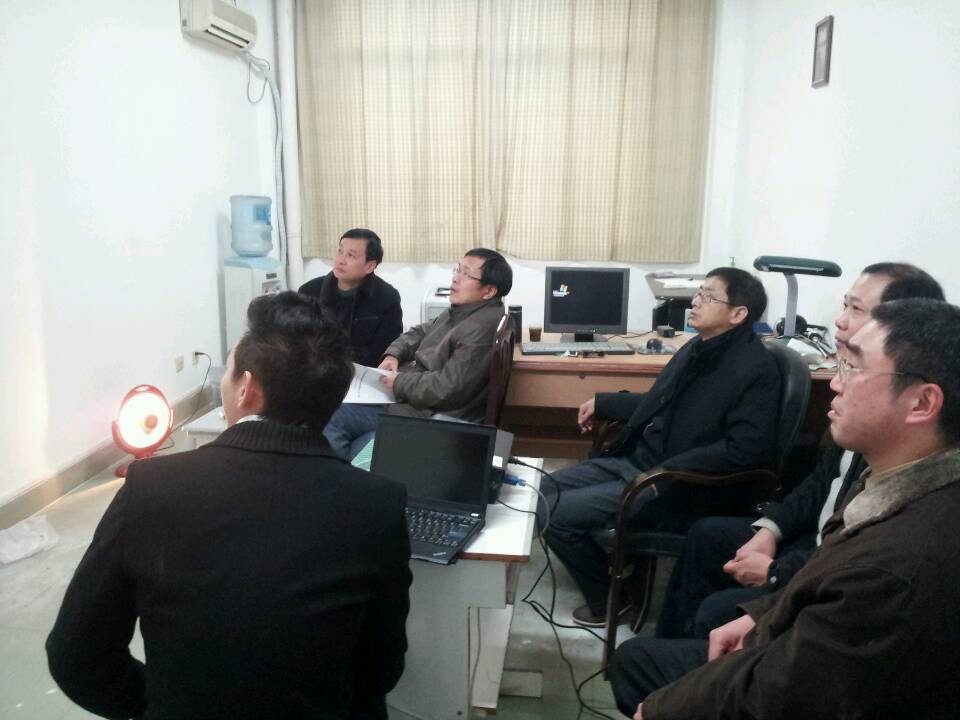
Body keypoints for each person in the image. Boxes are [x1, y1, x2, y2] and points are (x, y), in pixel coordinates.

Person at [46, 292, 412, 720]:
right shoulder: (376, 504)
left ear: (247, 388)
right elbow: (381, 667)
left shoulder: (152, 487)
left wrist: (163, 702)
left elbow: (77, 655)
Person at [610, 298, 960, 720]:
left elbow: (778, 695)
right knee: (641, 658)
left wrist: (660, 708)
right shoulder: (894, 480)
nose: (836, 383)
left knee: (645, 672)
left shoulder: (895, 566)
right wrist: (762, 615)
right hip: (792, 648)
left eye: (854, 368)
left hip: (798, 684)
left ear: (922, 403)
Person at [655, 262, 944, 639]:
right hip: (814, 539)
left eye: (856, 309)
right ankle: (673, 650)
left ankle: (688, 661)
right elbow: (823, 482)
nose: (840, 320)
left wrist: (777, 572)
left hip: (829, 562)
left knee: (713, 614)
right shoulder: (861, 402)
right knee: (707, 535)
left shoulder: (896, 426)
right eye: (845, 305)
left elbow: (857, 556)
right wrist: (770, 530)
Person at [543, 267, 782, 627]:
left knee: (554, 513)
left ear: (738, 314)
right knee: (540, 491)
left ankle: (611, 599)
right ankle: (622, 570)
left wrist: (667, 474)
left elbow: (746, 450)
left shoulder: (754, 369)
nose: (695, 302)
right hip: (640, 462)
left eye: (707, 296)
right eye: (698, 293)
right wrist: (605, 402)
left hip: (676, 483)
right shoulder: (698, 347)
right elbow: (660, 402)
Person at [323, 248, 512, 460]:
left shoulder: (479, 328)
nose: (456, 278)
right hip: (414, 400)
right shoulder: (465, 311)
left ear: (489, 291)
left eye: (466, 274)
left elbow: (448, 388)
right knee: (340, 411)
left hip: (429, 414)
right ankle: (348, 472)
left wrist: (399, 382)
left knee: (333, 416)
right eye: (457, 270)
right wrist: (393, 355)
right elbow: (419, 332)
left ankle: (341, 476)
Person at [299, 228, 403, 367]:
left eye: (351, 256)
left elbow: (387, 349)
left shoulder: (387, 298)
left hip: (362, 373)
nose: (340, 260)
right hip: (317, 372)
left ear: (369, 266)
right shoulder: (309, 292)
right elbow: (298, 342)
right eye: (340, 251)